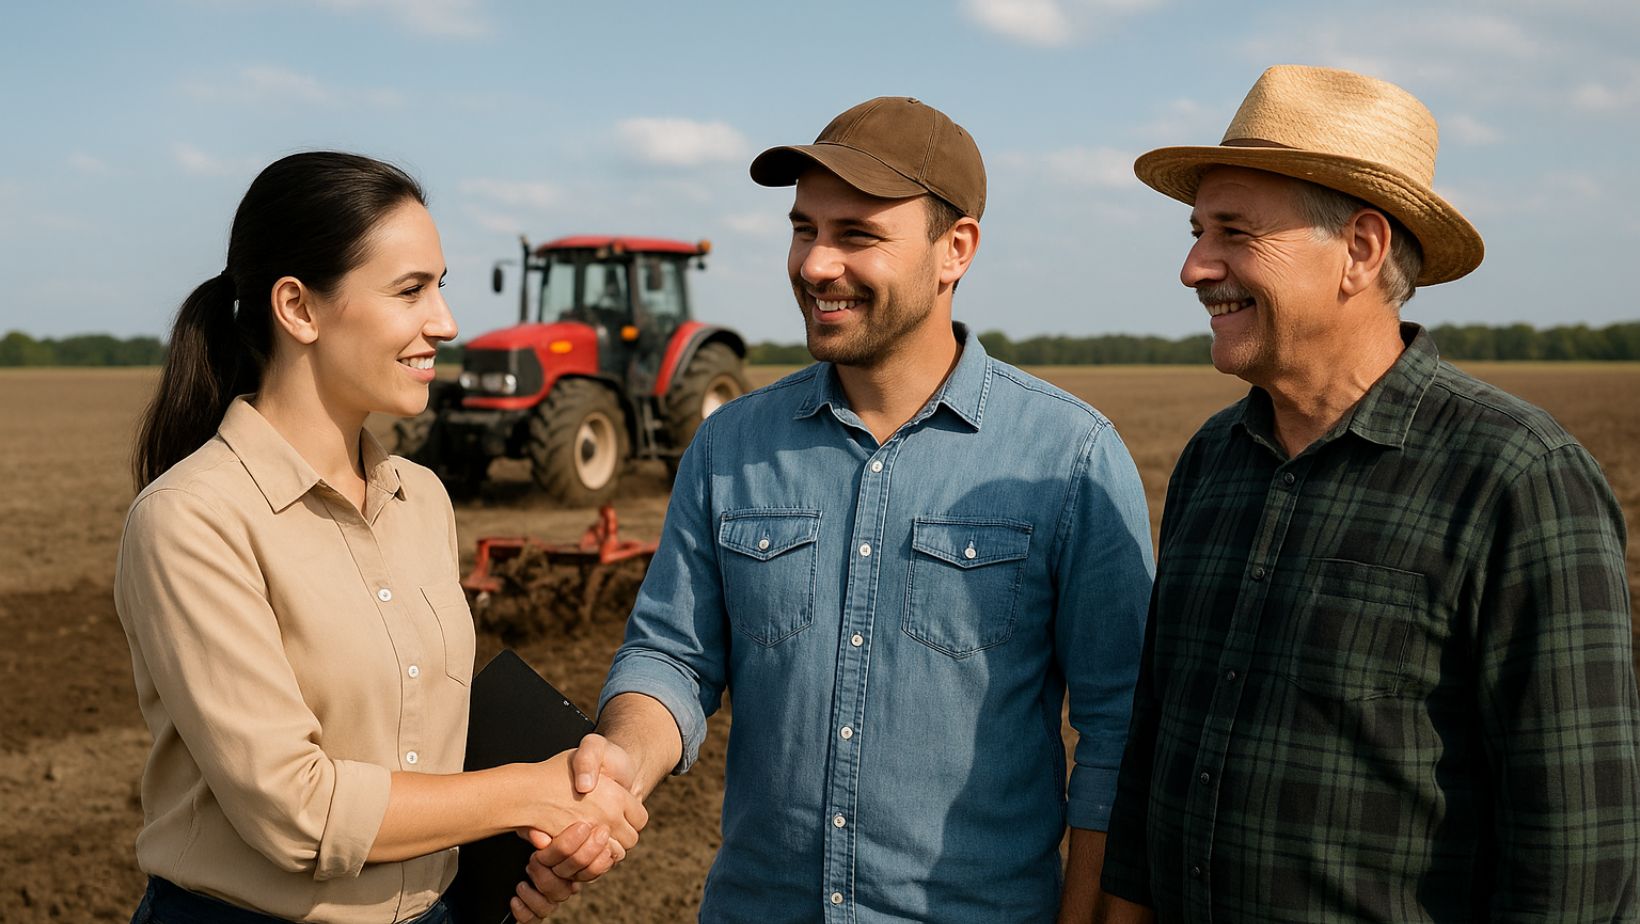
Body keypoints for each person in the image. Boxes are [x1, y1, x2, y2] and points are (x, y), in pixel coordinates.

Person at [544, 96, 1155, 922]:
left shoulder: (1069, 457)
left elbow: (1120, 732)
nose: (815, 264)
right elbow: (674, 658)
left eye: (857, 236)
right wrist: (621, 757)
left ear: (955, 251)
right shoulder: (731, 447)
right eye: (804, 229)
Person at [1101, 65, 1640, 922]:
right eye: (1198, 231)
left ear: (1360, 249)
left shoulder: (1517, 476)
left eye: (1233, 233)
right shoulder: (1214, 459)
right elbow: (1158, 730)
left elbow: (1577, 843)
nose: (1194, 268)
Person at [116, 151, 646, 924]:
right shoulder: (192, 519)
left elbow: (428, 746)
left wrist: (531, 847)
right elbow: (295, 807)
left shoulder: (422, 499)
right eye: (410, 291)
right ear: (298, 308)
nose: (447, 322)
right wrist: (533, 791)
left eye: (441, 286)